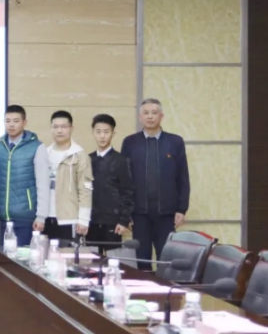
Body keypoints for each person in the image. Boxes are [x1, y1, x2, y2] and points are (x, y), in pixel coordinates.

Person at [121, 99, 190, 267]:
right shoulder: (130, 142)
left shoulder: (175, 142)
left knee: (166, 261)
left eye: (154, 113)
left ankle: (164, 285)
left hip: (167, 214)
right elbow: (124, 180)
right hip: (139, 214)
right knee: (141, 261)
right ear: (140, 117)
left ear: (161, 116)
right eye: (146, 113)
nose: (150, 117)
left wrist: (181, 208)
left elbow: (182, 176)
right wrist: (125, 212)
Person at [0, 105, 48, 247]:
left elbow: (43, 184)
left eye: (16, 121)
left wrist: (41, 216)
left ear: (24, 122)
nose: (11, 125)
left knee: (23, 257)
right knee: (0, 258)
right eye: (7, 121)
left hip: (25, 218)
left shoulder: (36, 147)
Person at [42, 111, 93, 242]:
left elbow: (85, 190)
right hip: (45, 218)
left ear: (71, 128)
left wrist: (84, 219)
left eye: (64, 126)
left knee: (68, 254)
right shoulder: (44, 154)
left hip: (70, 219)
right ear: (51, 128)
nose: (59, 130)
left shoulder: (80, 155)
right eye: (55, 126)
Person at [88, 114, 134, 248]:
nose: (102, 136)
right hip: (90, 221)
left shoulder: (122, 161)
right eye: (98, 132)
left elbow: (127, 192)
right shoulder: (87, 160)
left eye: (106, 132)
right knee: (91, 259)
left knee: (112, 259)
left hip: (113, 223)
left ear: (113, 133)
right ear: (93, 133)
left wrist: (124, 221)